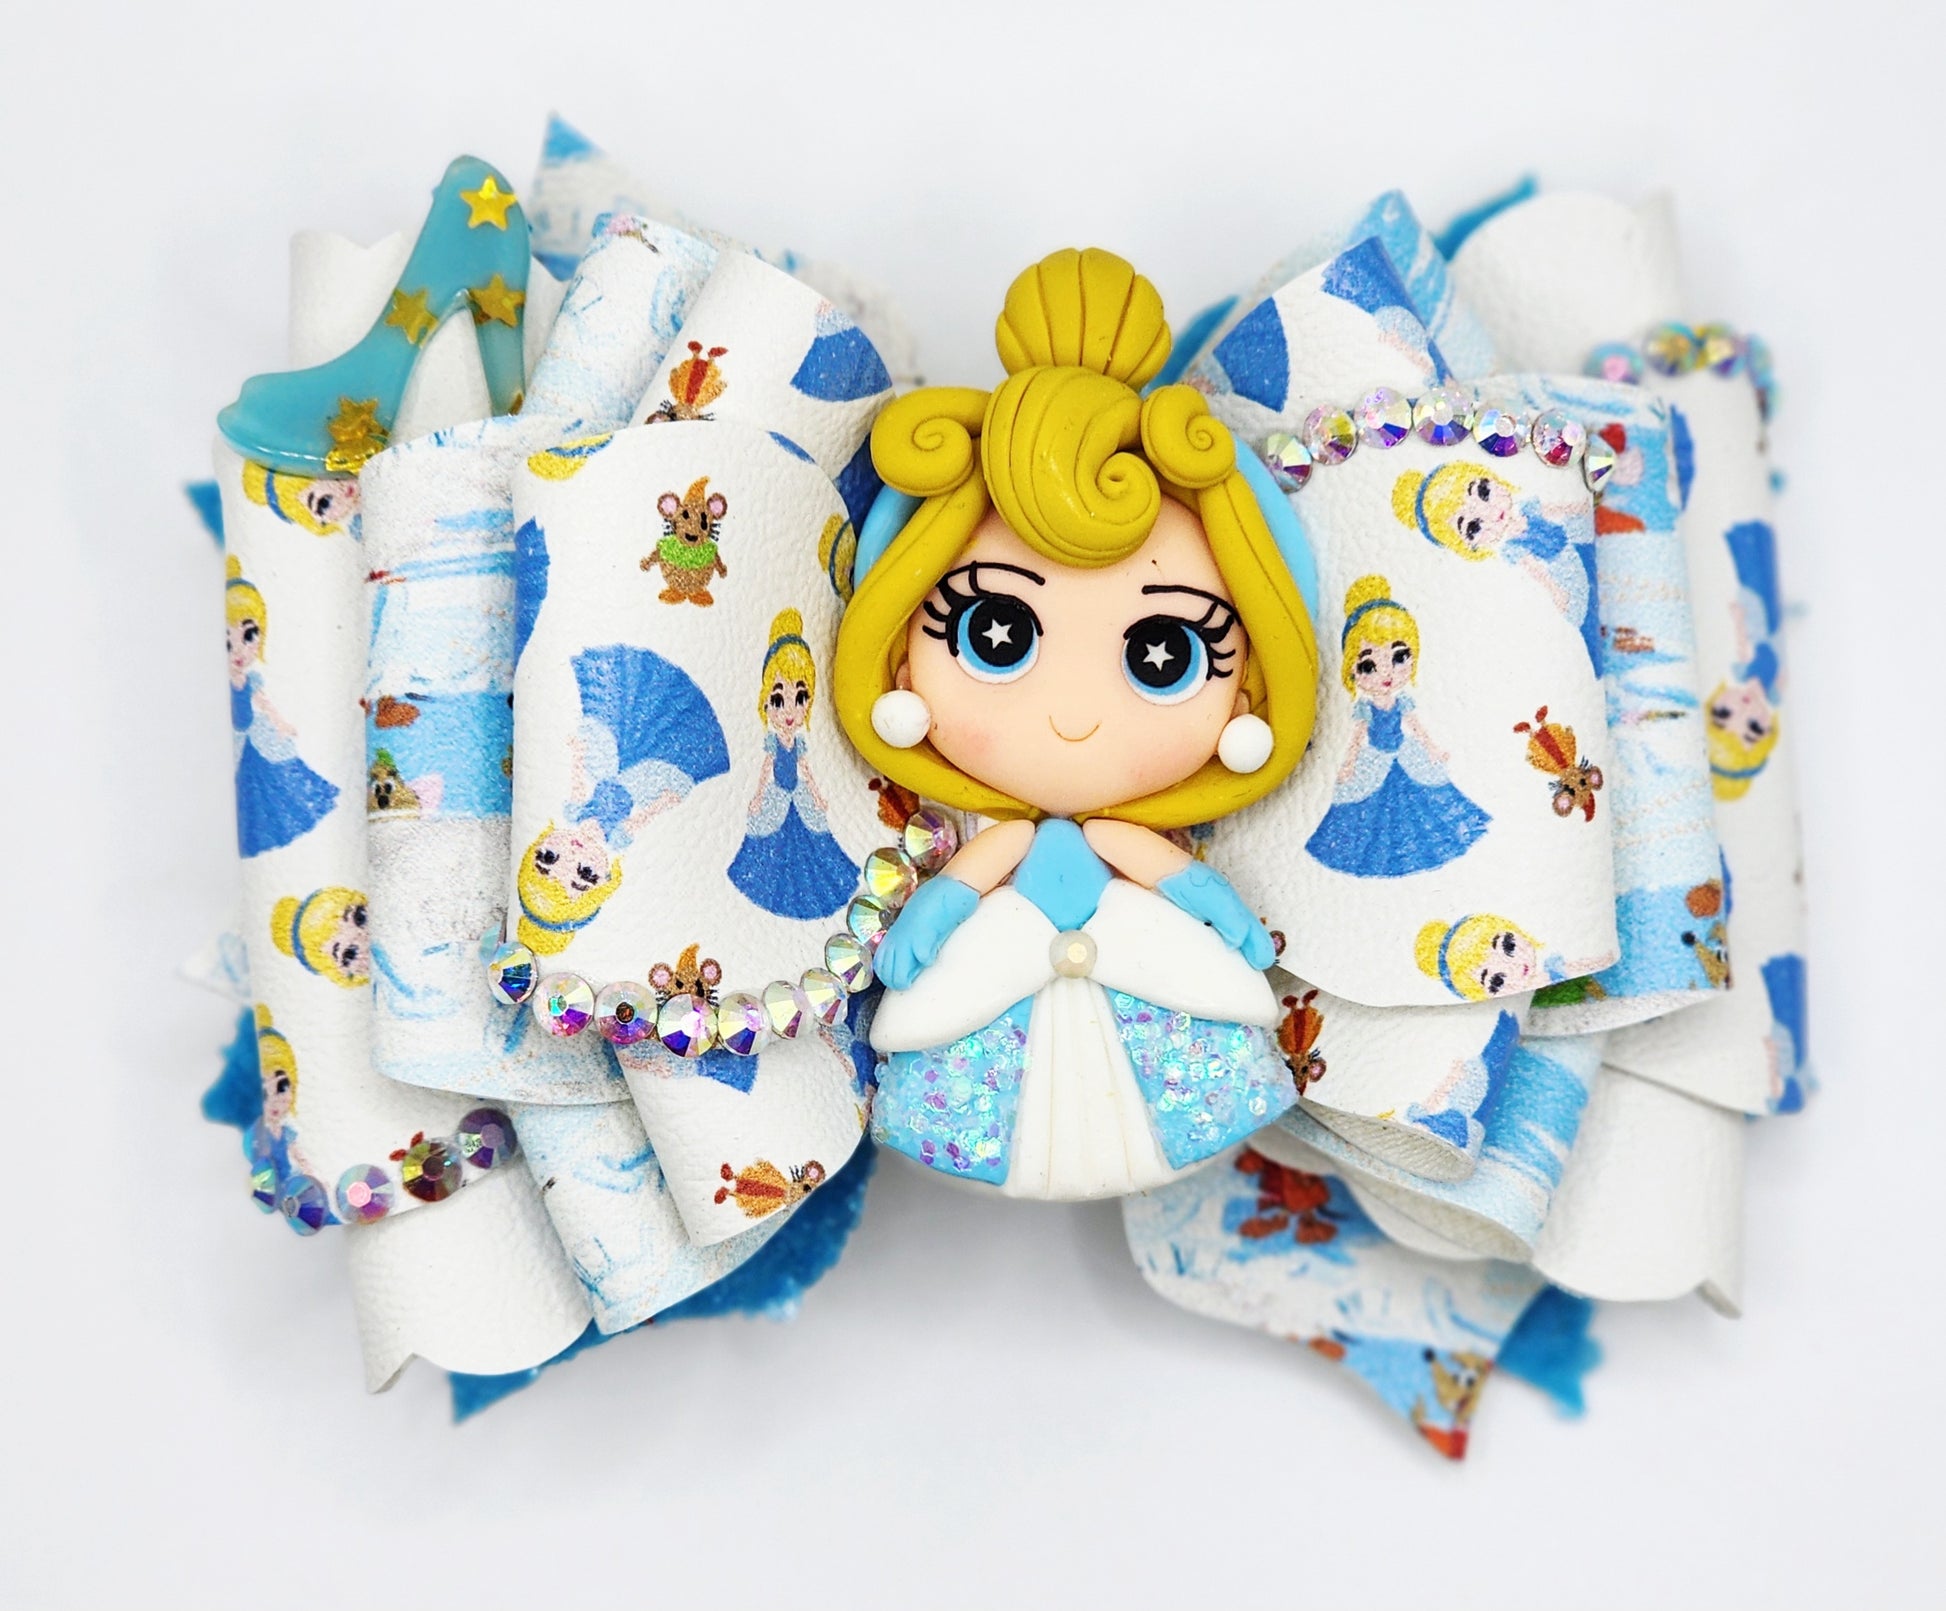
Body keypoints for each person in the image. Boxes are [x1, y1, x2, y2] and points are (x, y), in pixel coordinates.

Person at [832, 248, 1320, 1200]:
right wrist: (929, 915)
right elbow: (957, 893)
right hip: (999, 982)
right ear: (897, 656)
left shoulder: (1116, 840)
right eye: (998, 632)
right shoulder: (1016, 838)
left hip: (1146, 972)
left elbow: (1185, 885)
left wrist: (1225, 913)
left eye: (1163, 654)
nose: (1072, 715)